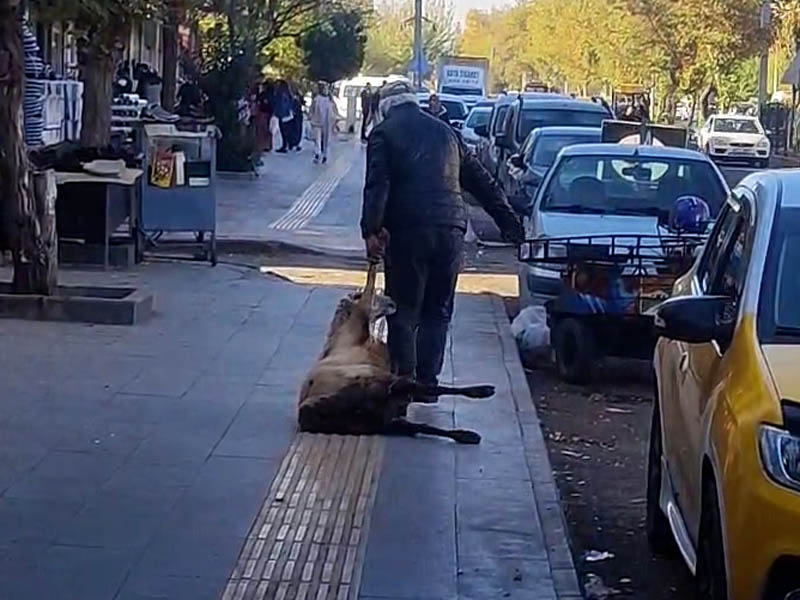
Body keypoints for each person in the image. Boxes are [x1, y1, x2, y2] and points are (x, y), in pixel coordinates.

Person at [361, 80, 523, 397]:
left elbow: (377, 185)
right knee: (437, 310)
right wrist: (510, 224)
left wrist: (371, 229)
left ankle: (404, 382)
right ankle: (428, 383)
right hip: (451, 230)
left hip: (408, 231)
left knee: (404, 309)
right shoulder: (447, 132)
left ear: (384, 107)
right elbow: (482, 182)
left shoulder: (383, 133)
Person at [310, 81, 338, 164]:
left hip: (325, 122)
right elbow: (312, 110)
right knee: (319, 139)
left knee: (324, 139)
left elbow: (334, 112)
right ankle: (319, 153)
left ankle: (324, 154)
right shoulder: (318, 99)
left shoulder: (329, 100)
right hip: (319, 122)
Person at [273, 80, 293, 153]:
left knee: (283, 131)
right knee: (287, 130)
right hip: (286, 114)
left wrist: (277, 113)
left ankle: (285, 145)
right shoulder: (287, 93)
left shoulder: (280, 94)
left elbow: (281, 104)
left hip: (283, 114)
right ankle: (288, 144)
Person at [289, 87, 304, 151]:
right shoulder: (294, 98)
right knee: (296, 129)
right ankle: (295, 143)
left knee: (295, 129)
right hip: (296, 115)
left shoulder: (294, 98)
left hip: (296, 115)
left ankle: (294, 143)